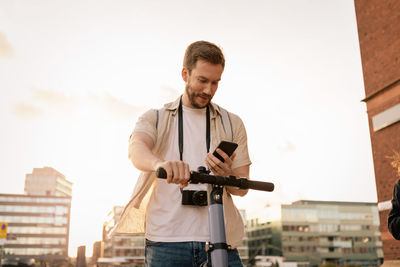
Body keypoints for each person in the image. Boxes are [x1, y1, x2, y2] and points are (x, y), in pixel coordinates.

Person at [115, 40, 251, 267]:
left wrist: (227, 176)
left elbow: (242, 188)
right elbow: (136, 150)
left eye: (215, 83)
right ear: (185, 74)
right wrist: (161, 164)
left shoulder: (233, 122)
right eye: (203, 80)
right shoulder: (155, 117)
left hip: (221, 240)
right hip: (166, 242)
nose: (209, 90)